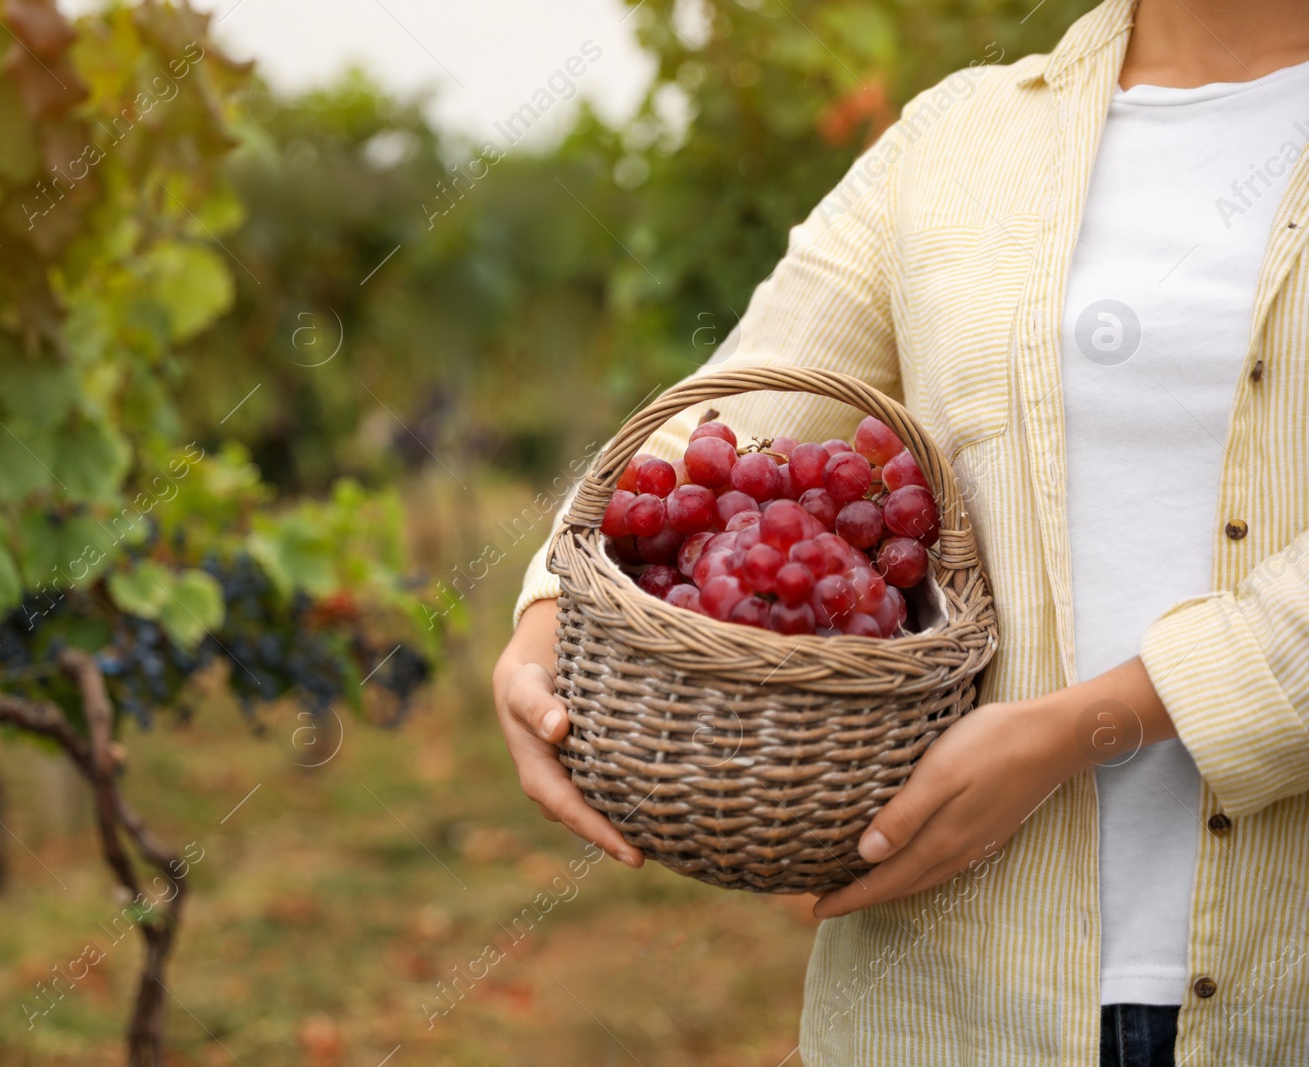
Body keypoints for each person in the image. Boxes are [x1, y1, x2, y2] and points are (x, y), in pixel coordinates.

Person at [491, 0, 1309, 1064]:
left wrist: (1080, 725)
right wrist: (549, 614)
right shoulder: (956, 140)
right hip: (949, 998)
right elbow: (722, 419)